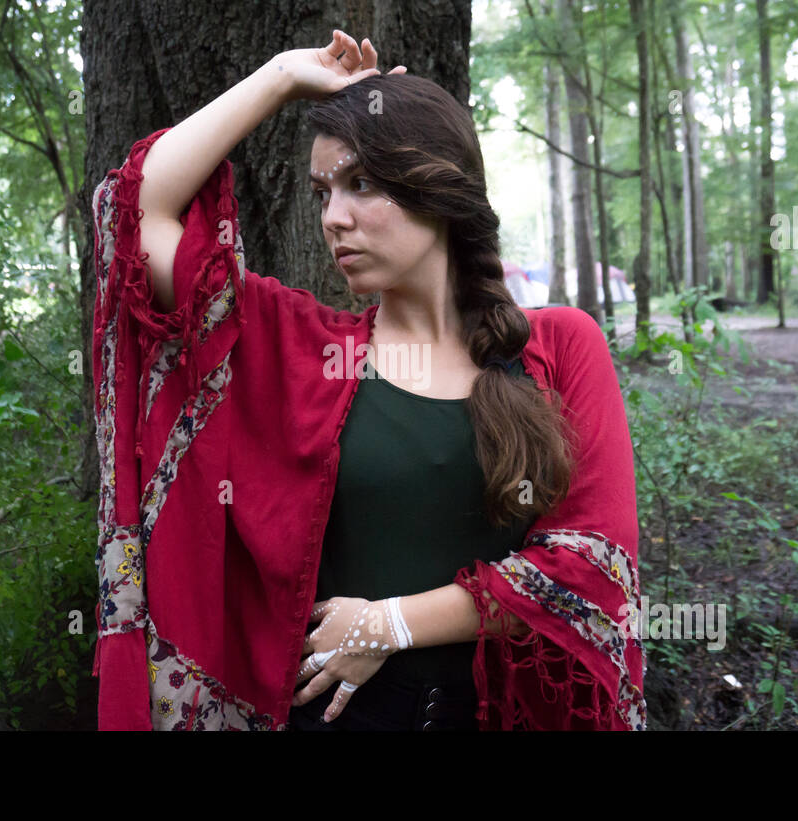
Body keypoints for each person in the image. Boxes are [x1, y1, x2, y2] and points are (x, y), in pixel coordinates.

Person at [91, 30, 645, 731]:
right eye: (323, 191)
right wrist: (284, 75)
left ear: (436, 186)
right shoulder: (305, 350)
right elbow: (132, 214)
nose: (333, 218)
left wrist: (392, 622)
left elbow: (594, 569)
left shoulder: (560, 346)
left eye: (360, 183)